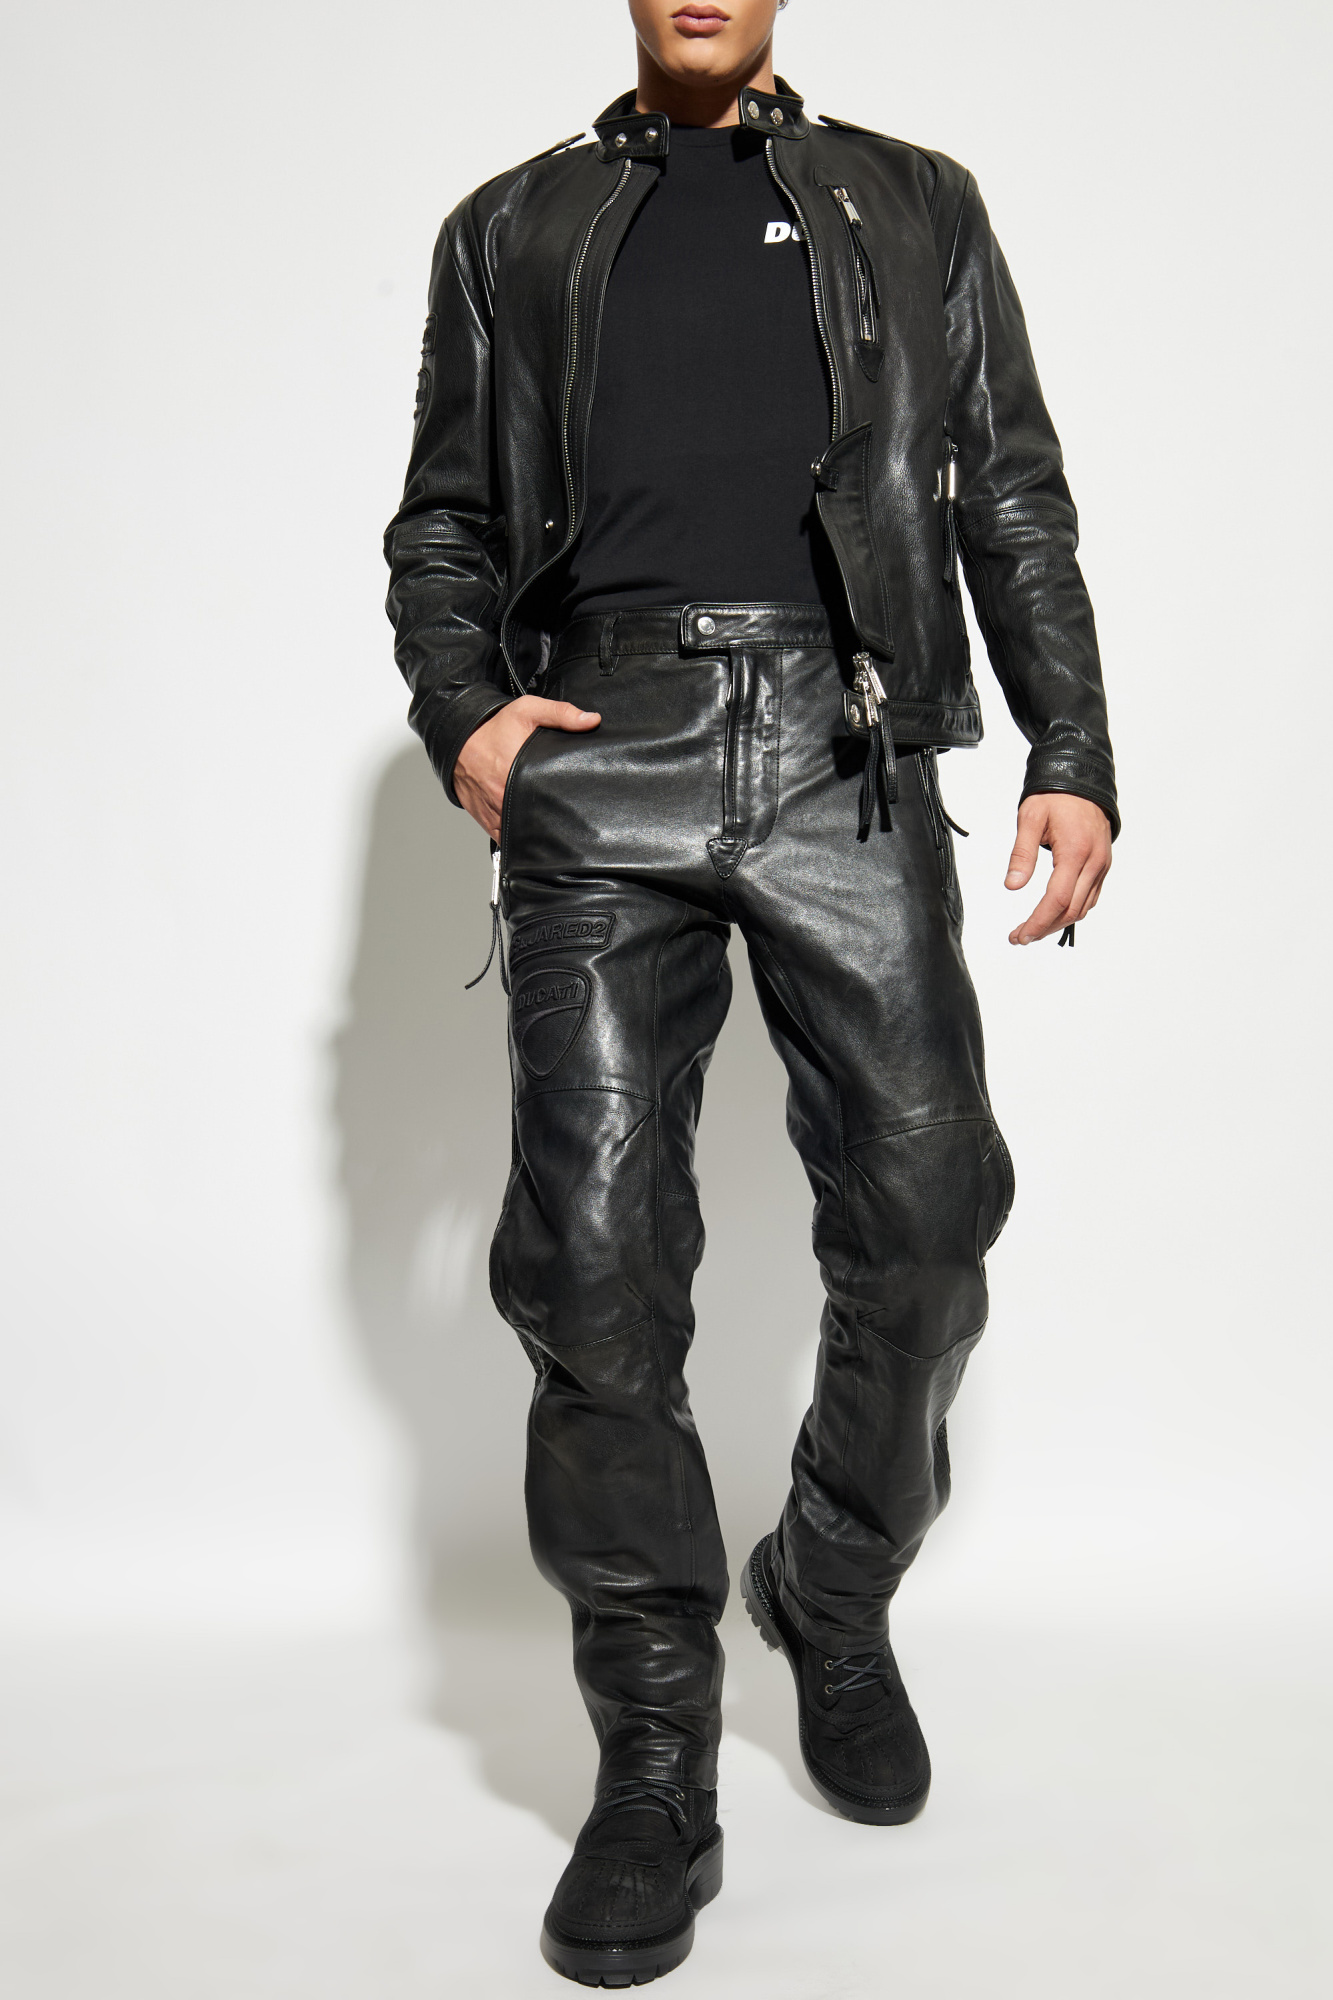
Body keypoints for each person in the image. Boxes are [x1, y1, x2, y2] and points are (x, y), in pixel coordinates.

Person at [383, 0, 1117, 1983]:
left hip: (844, 745)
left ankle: (830, 1583)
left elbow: (1006, 486)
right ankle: (653, 1749)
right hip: (598, 744)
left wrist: (1068, 743)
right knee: (593, 1267)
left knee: (930, 1215)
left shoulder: (912, 201)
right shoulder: (510, 225)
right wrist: (465, 715)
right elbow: (445, 518)